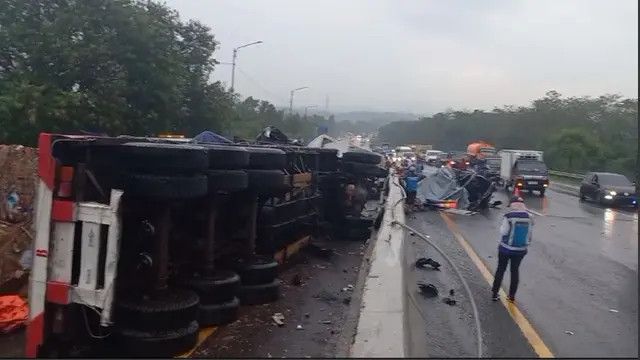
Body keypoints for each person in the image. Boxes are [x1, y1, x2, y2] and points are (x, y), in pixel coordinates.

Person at [491, 196, 533, 302]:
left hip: (505, 249)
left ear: (512, 205)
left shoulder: (509, 216)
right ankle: (511, 296)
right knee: (515, 271)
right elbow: (530, 233)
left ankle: (495, 294)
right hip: (521, 250)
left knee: (501, 269)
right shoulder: (530, 216)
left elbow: (503, 232)